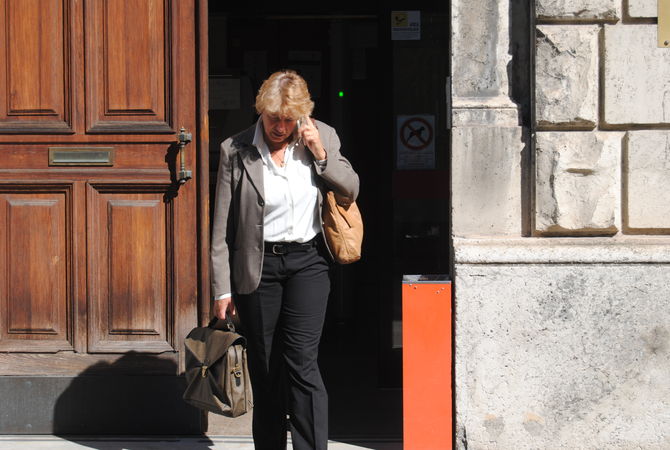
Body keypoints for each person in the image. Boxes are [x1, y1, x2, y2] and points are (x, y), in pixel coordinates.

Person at [210, 70, 359, 450]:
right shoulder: (235, 149)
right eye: (273, 118)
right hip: (258, 268)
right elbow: (222, 227)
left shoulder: (322, 136)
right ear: (261, 111)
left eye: (288, 119)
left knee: (302, 362)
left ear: (301, 115)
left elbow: (351, 187)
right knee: (266, 367)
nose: (279, 127)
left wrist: (320, 153)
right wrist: (222, 289)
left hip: (308, 262)